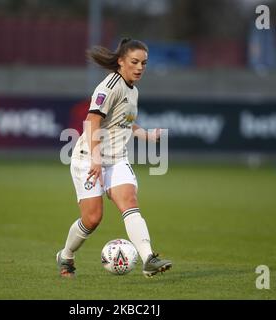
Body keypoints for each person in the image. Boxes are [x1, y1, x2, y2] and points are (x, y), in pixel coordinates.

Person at [56, 38, 172, 278]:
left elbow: (125, 122)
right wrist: (96, 160)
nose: (140, 67)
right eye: (134, 62)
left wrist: (147, 135)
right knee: (92, 218)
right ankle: (66, 255)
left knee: (129, 200)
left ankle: (149, 259)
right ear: (121, 61)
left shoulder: (133, 90)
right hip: (89, 158)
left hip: (117, 158)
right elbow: (91, 121)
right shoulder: (109, 86)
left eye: (144, 63)